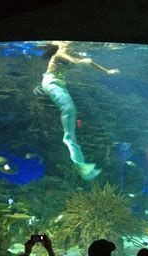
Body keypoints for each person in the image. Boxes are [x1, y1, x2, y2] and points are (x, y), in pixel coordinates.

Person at [41, 41, 119, 181]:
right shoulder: (59, 54)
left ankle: (78, 157)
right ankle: (71, 143)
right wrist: (82, 61)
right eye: (65, 43)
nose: (67, 45)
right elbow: (76, 63)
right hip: (51, 83)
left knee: (70, 110)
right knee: (69, 109)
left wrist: (106, 71)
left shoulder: (70, 54)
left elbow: (89, 62)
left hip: (59, 84)